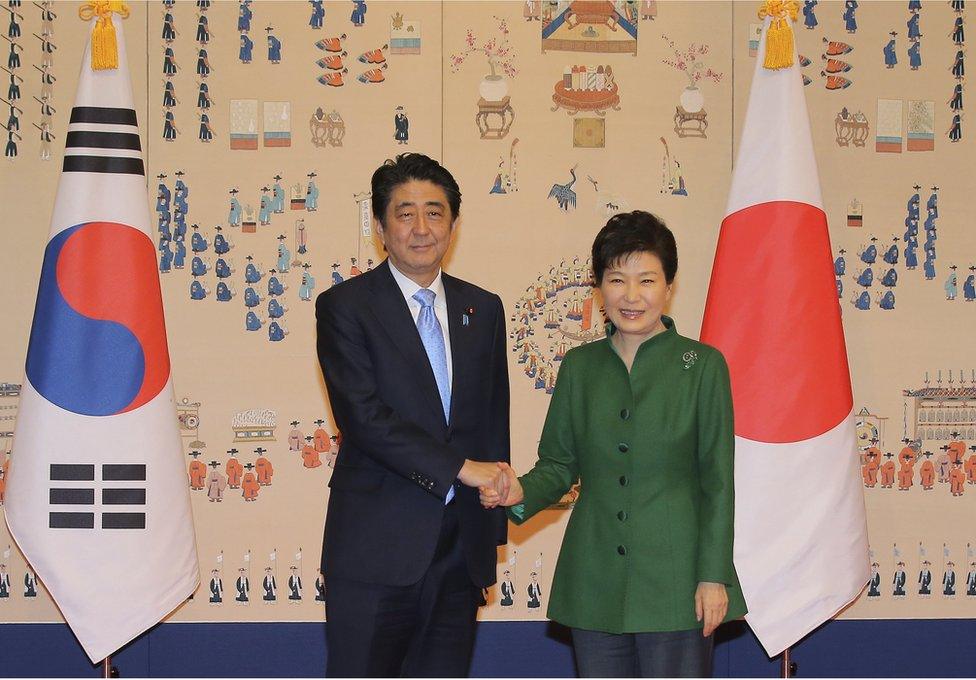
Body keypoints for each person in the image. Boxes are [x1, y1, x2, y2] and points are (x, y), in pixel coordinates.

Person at [481, 211, 746, 678]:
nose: (631, 295)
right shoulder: (580, 367)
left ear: (668, 287)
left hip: (678, 581)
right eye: (616, 279)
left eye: (646, 279)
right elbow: (559, 465)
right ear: (599, 288)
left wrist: (713, 576)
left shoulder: (702, 366)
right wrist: (518, 492)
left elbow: (717, 482)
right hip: (595, 577)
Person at [316, 152, 511, 677]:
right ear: (380, 227)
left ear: (452, 224)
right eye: (405, 213)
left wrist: (488, 538)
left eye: (435, 212)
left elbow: (492, 423)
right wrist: (459, 468)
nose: (421, 228)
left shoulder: (483, 309)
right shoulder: (345, 307)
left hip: (459, 553)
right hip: (375, 549)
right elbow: (364, 418)